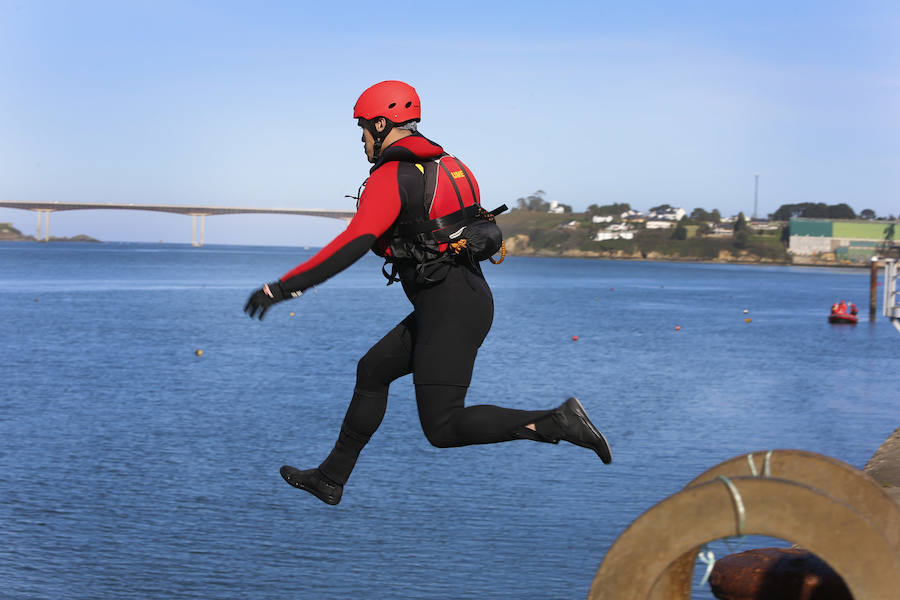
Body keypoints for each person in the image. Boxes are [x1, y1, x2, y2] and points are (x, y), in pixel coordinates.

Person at [244, 80, 611, 505]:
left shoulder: (392, 176)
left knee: (443, 427)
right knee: (373, 370)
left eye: (364, 129)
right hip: (461, 299)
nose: (362, 139)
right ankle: (331, 477)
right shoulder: (451, 165)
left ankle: (557, 421)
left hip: (449, 308)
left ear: (382, 124)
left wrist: (283, 288)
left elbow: (350, 244)